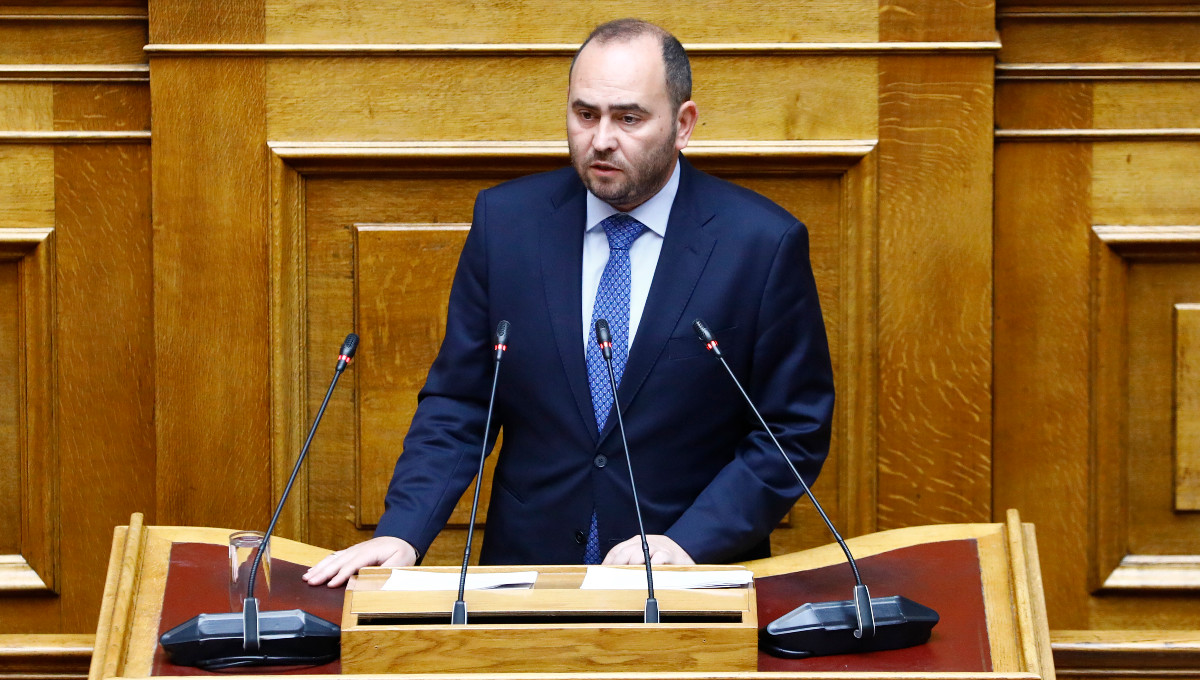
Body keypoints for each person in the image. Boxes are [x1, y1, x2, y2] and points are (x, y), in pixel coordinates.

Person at [304, 18, 833, 588]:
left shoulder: (760, 243)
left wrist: (690, 542)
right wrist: (403, 531)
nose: (601, 139)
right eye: (585, 114)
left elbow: (791, 429)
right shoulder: (508, 224)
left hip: (687, 581)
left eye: (628, 118)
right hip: (527, 578)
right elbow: (461, 403)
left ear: (683, 124)